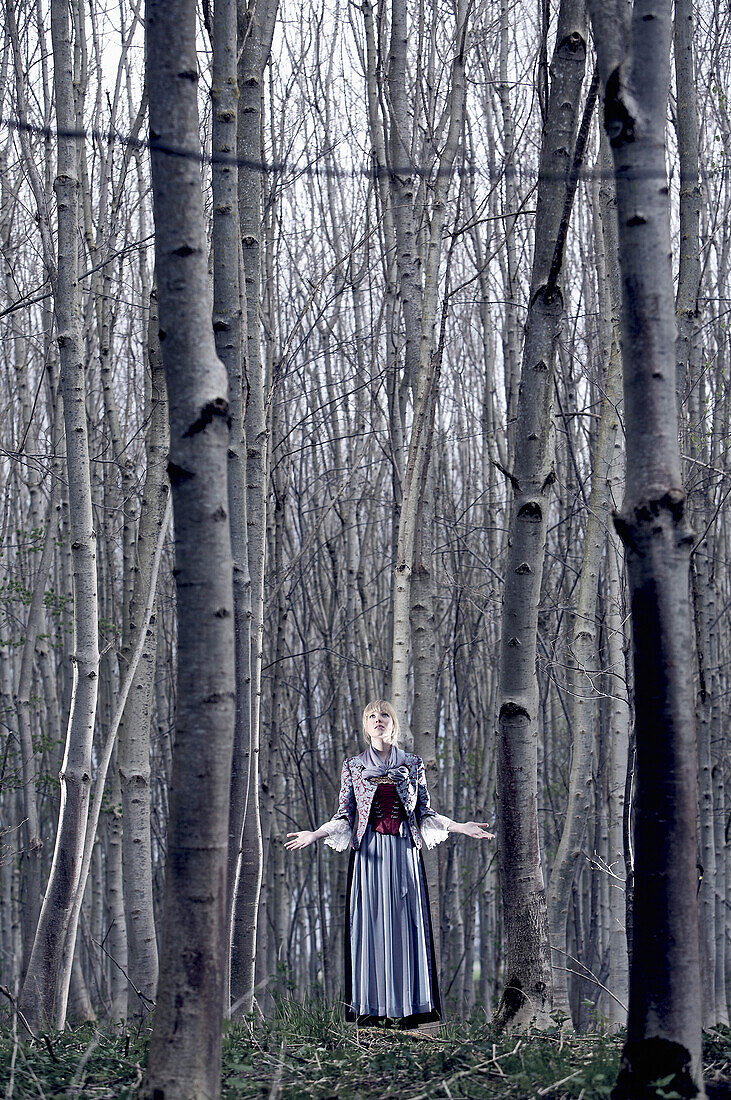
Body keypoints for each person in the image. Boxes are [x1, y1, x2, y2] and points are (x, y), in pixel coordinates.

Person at [285, 699, 494, 1028]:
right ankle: (373, 1010)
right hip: (369, 857)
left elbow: (424, 811)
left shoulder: (412, 764)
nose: (377, 720)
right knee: (370, 928)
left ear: (394, 724)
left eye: (384, 715)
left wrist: (460, 827)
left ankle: (410, 1009)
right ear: (365, 726)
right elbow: (345, 815)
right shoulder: (353, 766)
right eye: (371, 716)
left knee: (405, 927)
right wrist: (315, 834)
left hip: (404, 855)